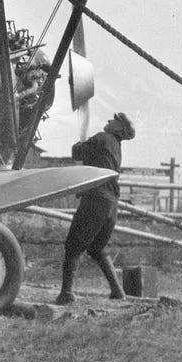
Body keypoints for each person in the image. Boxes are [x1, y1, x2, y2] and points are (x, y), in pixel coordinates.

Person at [56, 112, 135, 305]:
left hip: (96, 201)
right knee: (96, 247)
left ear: (119, 128)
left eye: (114, 120)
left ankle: (66, 293)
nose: (108, 120)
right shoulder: (116, 146)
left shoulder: (102, 138)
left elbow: (77, 153)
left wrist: (79, 143)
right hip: (111, 204)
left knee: (73, 246)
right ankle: (117, 291)